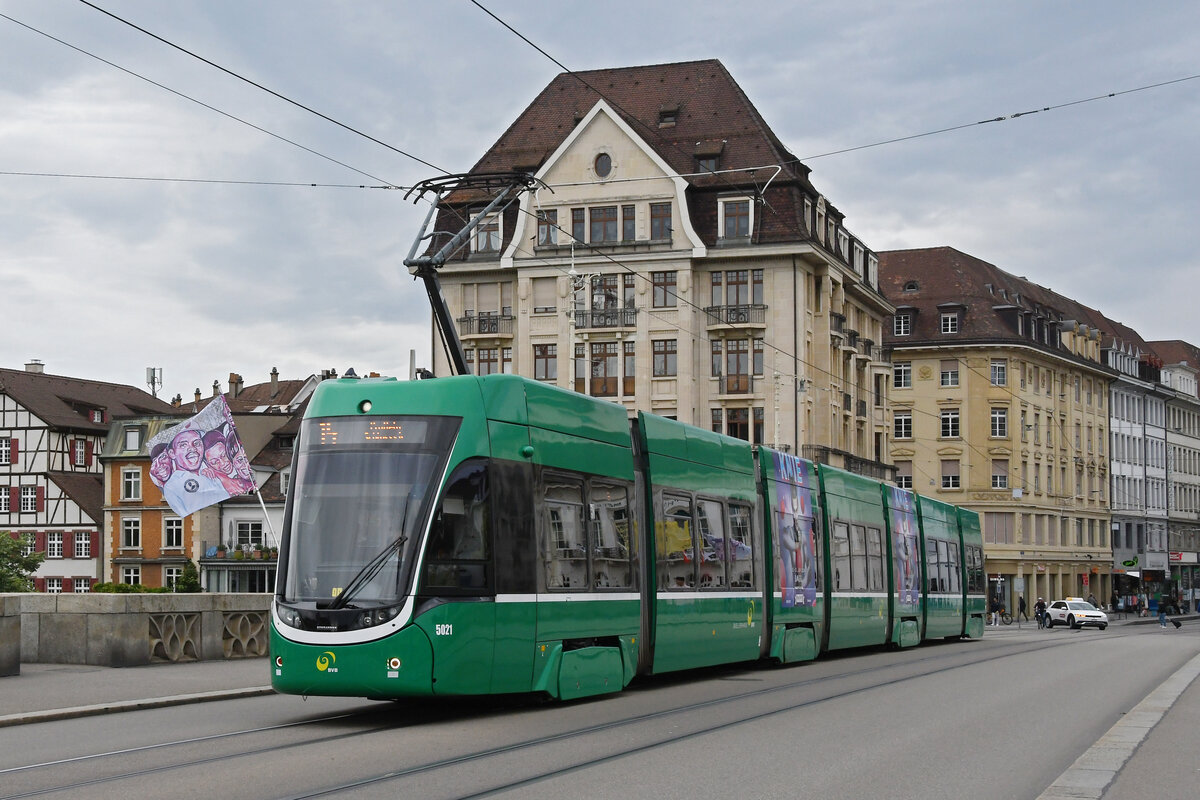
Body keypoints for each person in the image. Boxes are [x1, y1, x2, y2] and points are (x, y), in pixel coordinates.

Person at [161, 428, 228, 515]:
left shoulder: (211, 473)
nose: (192, 449)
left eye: (196, 443)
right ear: (172, 453)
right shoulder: (172, 486)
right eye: (183, 445)